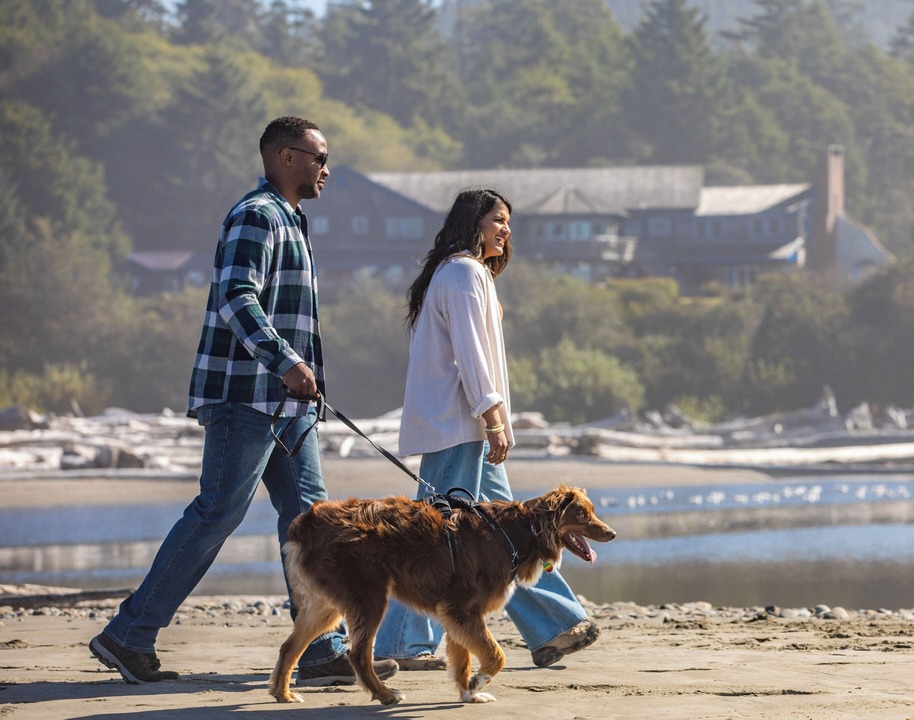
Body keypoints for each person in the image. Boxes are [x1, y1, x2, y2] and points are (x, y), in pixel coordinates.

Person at [89, 116, 398, 687]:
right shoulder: (257, 216)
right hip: (242, 399)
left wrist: (301, 379)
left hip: (287, 409)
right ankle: (128, 636)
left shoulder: (292, 219)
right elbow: (237, 296)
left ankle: (323, 647)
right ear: (285, 157)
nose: (326, 169)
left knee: (313, 521)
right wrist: (287, 362)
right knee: (218, 512)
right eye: (318, 158)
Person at [372, 187, 599, 671]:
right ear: (472, 221)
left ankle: (556, 627)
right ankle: (400, 644)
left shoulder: (464, 274)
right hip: (461, 427)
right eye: (498, 219)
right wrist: (493, 415)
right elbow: (471, 355)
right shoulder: (461, 273)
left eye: (509, 222)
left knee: (515, 533)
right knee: (434, 540)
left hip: (466, 427)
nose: (506, 229)